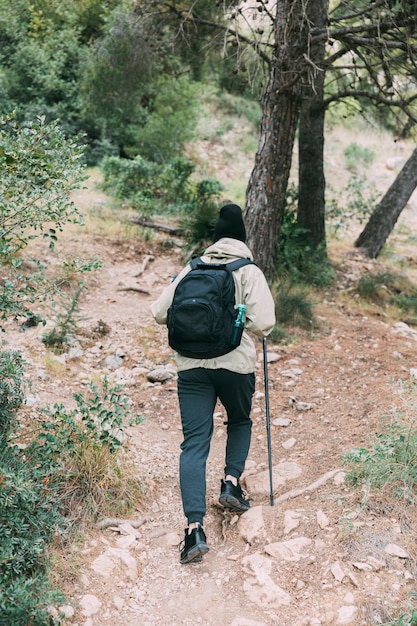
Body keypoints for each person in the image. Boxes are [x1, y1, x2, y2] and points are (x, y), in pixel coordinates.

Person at [150, 203, 276, 564]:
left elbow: (159, 313)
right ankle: (231, 483)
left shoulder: (192, 267)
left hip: (191, 367)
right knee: (239, 420)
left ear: (215, 239)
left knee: (193, 445)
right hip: (235, 365)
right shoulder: (248, 270)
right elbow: (264, 324)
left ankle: (194, 531)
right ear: (243, 239)